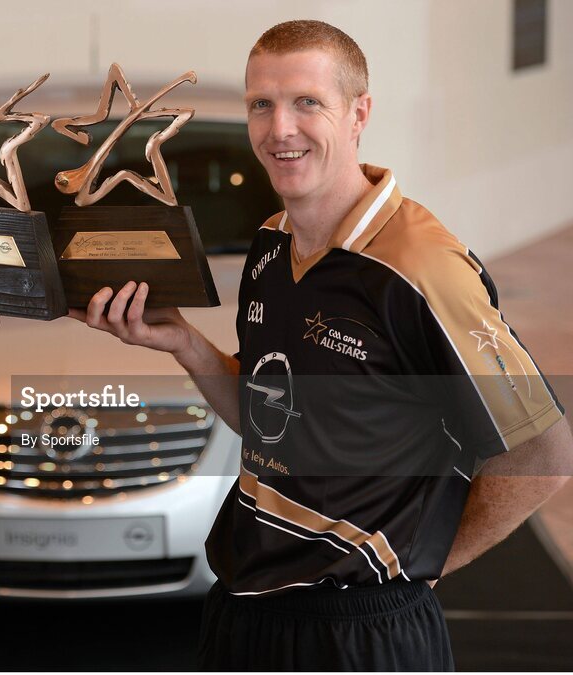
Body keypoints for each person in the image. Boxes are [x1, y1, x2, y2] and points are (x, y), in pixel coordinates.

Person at [72, 20, 573, 670]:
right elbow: (270, 419)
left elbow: (544, 452)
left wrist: (423, 567)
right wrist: (185, 344)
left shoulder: (420, 267)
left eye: (307, 102)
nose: (280, 128)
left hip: (360, 633)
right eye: (262, 104)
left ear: (359, 113)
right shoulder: (272, 243)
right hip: (247, 612)